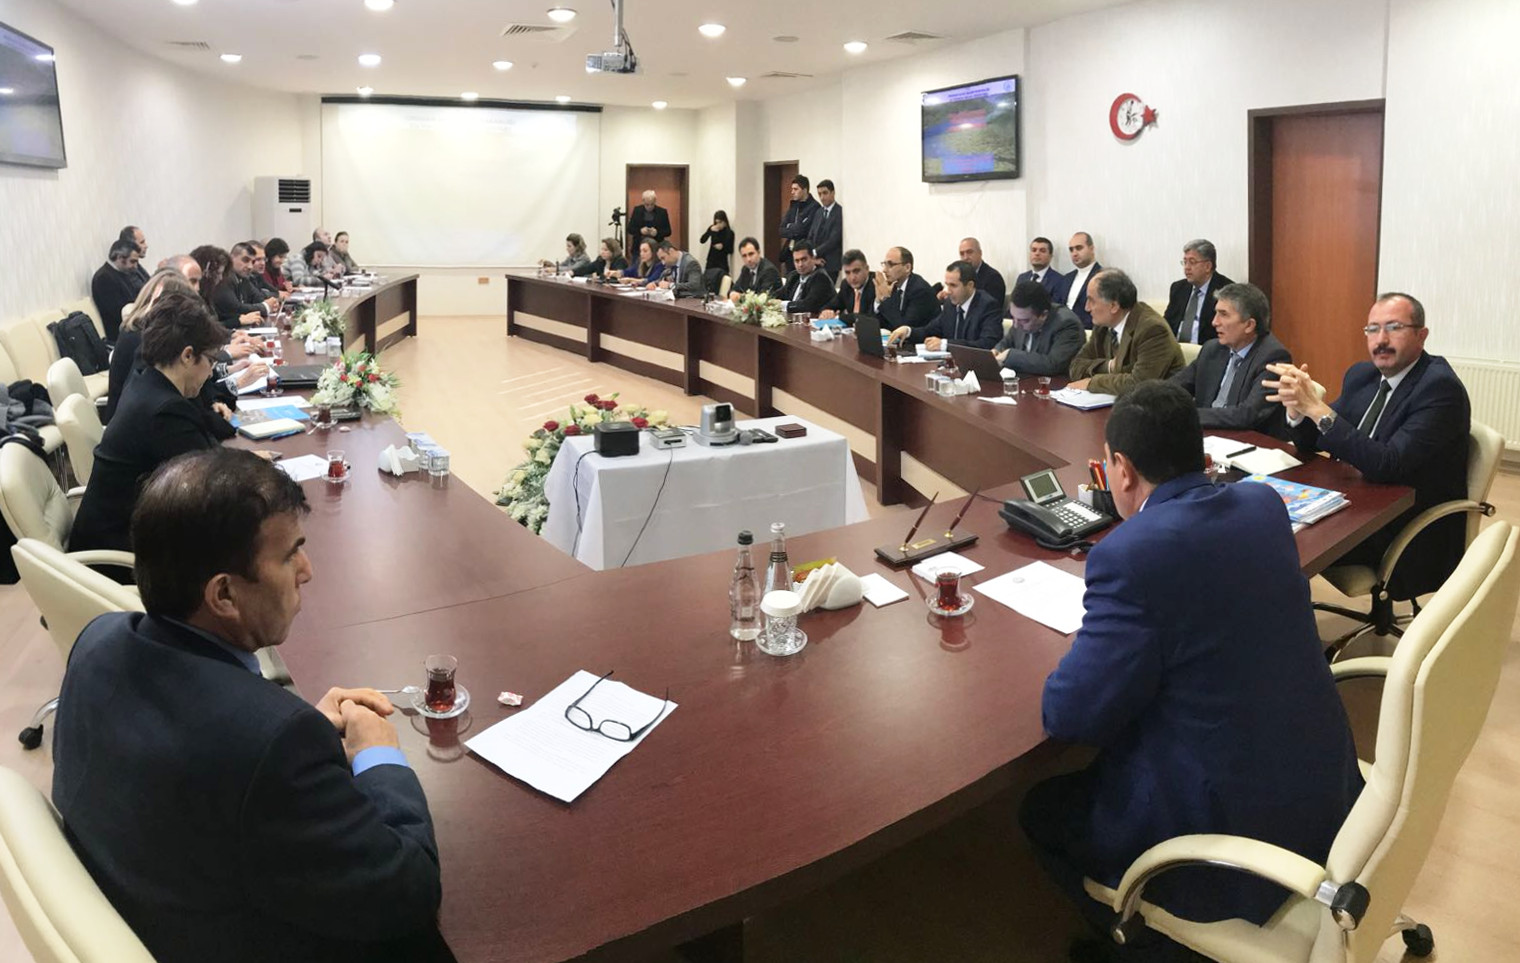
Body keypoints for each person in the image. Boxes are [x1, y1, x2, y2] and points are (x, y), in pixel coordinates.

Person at [53, 448, 449, 963]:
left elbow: (209, 758)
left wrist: (292, 726)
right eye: (289, 555)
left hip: (153, 897)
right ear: (224, 595)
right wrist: (380, 756)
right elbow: (408, 891)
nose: (307, 571)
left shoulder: (98, 639)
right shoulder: (271, 745)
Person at [1022, 381, 1362, 948]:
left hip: (1229, 840)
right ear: (1200, 454)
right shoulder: (1263, 505)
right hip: (1327, 789)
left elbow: (1070, 716)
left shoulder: (1128, 555)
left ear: (1121, 470)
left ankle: (1136, 946)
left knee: (1040, 809)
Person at [1266, 292, 1471, 600]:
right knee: (1264, 520)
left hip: (1401, 524)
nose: (1381, 339)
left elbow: (1386, 464)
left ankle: (1288, 628)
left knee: (1279, 546)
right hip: (1355, 501)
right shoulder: (1363, 375)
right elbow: (1315, 440)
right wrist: (1298, 410)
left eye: (1394, 327)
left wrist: (1318, 410)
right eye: (1373, 329)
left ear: (1421, 335)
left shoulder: (1439, 388)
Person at [69, 290, 235, 555]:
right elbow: (211, 485)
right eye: (211, 361)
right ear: (188, 356)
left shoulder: (146, 379)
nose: (210, 372)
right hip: (121, 552)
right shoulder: (165, 411)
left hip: (121, 530)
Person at [1169, 281, 1291, 435]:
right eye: (1216, 313)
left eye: (1224, 314)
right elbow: (1174, 387)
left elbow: (1247, 415)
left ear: (1249, 325)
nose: (1214, 322)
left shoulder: (1273, 357)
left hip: (1248, 441)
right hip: (1208, 435)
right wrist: (1150, 399)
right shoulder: (1212, 349)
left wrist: (1187, 416)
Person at [1068, 269, 1185, 395]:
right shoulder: (1103, 326)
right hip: (1117, 400)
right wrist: (1110, 366)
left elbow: (1139, 384)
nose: (1087, 308)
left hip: (1158, 402)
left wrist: (1092, 383)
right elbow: (1075, 367)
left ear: (1114, 306)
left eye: (1092, 301)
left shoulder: (1153, 329)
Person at [888, 260, 1002, 350]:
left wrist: (945, 344)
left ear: (970, 285)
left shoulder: (988, 306)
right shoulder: (950, 304)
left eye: (953, 285)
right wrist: (908, 331)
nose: (948, 291)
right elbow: (929, 330)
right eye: (947, 285)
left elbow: (986, 344)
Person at [993, 279, 1085, 376]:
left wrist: (1011, 355)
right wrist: (996, 351)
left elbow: (1053, 364)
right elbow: (1006, 342)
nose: (1015, 325)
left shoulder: (1067, 324)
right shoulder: (1019, 319)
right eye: (1013, 317)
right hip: (1023, 380)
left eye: (1024, 321)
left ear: (1043, 315)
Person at [1164, 239, 1234, 345]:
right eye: (1185, 262)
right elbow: (1167, 324)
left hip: (1207, 350)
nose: (1187, 268)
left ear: (1208, 266)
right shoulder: (1178, 288)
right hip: (1176, 349)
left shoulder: (1227, 290)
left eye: (1192, 262)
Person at [212, 242, 279, 329]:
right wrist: (266, 307)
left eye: (253, 262)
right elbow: (235, 308)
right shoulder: (223, 279)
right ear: (231, 258)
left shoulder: (243, 278)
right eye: (245, 260)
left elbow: (258, 298)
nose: (250, 266)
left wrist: (271, 304)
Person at [90, 238, 146, 342]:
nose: (136, 266)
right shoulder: (104, 278)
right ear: (120, 258)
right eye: (133, 261)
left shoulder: (121, 273)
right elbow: (120, 313)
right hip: (120, 335)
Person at [873, 246, 938, 328]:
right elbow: (880, 323)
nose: (884, 270)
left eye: (890, 265)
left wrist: (886, 299)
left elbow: (904, 328)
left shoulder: (920, 290)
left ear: (907, 267)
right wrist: (878, 300)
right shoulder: (894, 286)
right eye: (885, 264)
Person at [942, 237, 1005, 309]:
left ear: (980, 253)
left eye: (969, 252)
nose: (965, 257)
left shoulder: (993, 278)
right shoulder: (959, 276)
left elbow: (991, 308)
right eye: (962, 254)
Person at [777, 242, 834, 316]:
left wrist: (782, 305)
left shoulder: (821, 278)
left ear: (813, 258)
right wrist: (767, 298)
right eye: (797, 261)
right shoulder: (794, 276)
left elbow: (808, 305)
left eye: (804, 259)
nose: (800, 264)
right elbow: (779, 294)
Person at [819, 249, 878, 318]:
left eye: (856, 271)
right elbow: (831, 305)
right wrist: (826, 312)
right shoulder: (846, 285)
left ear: (867, 269)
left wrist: (845, 317)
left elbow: (869, 317)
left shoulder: (877, 285)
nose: (852, 277)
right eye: (847, 273)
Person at [1063, 232, 1104, 328]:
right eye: (1071, 250)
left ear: (1091, 249)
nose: (1074, 253)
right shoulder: (1067, 278)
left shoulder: (1103, 277)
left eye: (1079, 248)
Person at [778, 175, 820, 268]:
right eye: (792, 189)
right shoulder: (794, 206)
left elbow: (802, 230)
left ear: (804, 190)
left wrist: (790, 226)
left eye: (795, 189)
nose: (792, 192)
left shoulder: (815, 207)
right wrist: (794, 228)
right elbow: (781, 229)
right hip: (790, 253)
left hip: (804, 255)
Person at [1014, 236, 1071, 305]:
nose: (1037, 254)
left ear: (1050, 256)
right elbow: (1013, 303)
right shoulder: (1022, 278)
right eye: (1034, 250)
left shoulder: (1059, 281)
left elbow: (1055, 307)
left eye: (1042, 251)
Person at [807, 180, 843, 277]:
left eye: (825, 193)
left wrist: (814, 252)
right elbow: (811, 235)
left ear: (833, 193)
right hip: (815, 262)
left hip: (831, 263)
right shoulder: (818, 212)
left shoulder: (839, 212)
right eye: (819, 194)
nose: (822, 197)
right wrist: (811, 256)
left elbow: (833, 240)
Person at [699, 210, 735, 292]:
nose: (718, 225)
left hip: (722, 262)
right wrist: (709, 231)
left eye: (720, 222)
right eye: (716, 222)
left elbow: (730, 250)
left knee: (723, 285)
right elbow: (702, 240)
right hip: (711, 261)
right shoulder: (713, 229)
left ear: (725, 222)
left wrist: (723, 247)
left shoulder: (729, 233)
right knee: (708, 283)